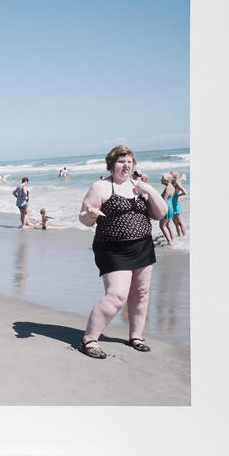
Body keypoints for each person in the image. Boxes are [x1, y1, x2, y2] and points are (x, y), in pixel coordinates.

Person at [76, 145, 168, 358]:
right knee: (117, 295)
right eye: (121, 161)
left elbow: (161, 213)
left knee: (141, 293)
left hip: (143, 246)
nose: (126, 165)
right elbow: (84, 219)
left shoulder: (140, 186)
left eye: (129, 161)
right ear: (111, 164)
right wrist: (91, 214)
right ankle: (89, 339)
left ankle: (136, 337)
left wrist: (150, 191)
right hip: (112, 249)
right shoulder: (100, 187)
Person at [169, 170, 188, 237]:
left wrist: (178, 196)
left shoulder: (177, 184)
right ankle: (180, 237)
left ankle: (184, 236)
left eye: (170, 176)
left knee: (180, 222)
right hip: (171, 203)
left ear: (174, 177)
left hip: (176, 204)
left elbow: (185, 192)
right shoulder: (172, 183)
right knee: (175, 223)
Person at [159, 174, 176, 244]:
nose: (161, 180)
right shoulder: (172, 187)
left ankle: (169, 241)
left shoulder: (168, 188)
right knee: (168, 225)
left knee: (162, 226)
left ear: (166, 180)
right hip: (170, 206)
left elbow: (164, 199)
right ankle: (173, 240)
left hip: (166, 207)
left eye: (162, 179)